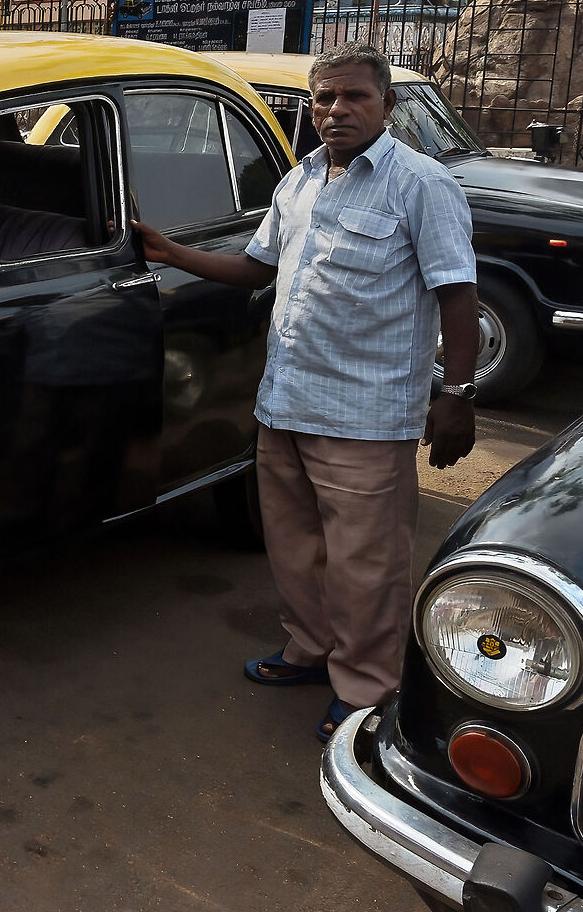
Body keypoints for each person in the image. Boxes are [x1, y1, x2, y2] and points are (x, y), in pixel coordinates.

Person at [134, 43, 477, 742]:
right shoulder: (299, 181)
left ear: (387, 104)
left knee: (366, 563)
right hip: (286, 402)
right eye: (325, 98)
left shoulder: (422, 185)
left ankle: (367, 686)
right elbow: (255, 267)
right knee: (294, 548)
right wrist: (172, 253)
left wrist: (458, 393)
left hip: (365, 414)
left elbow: (457, 291)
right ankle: (310, 649)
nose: (337, 110)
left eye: (355, 97)